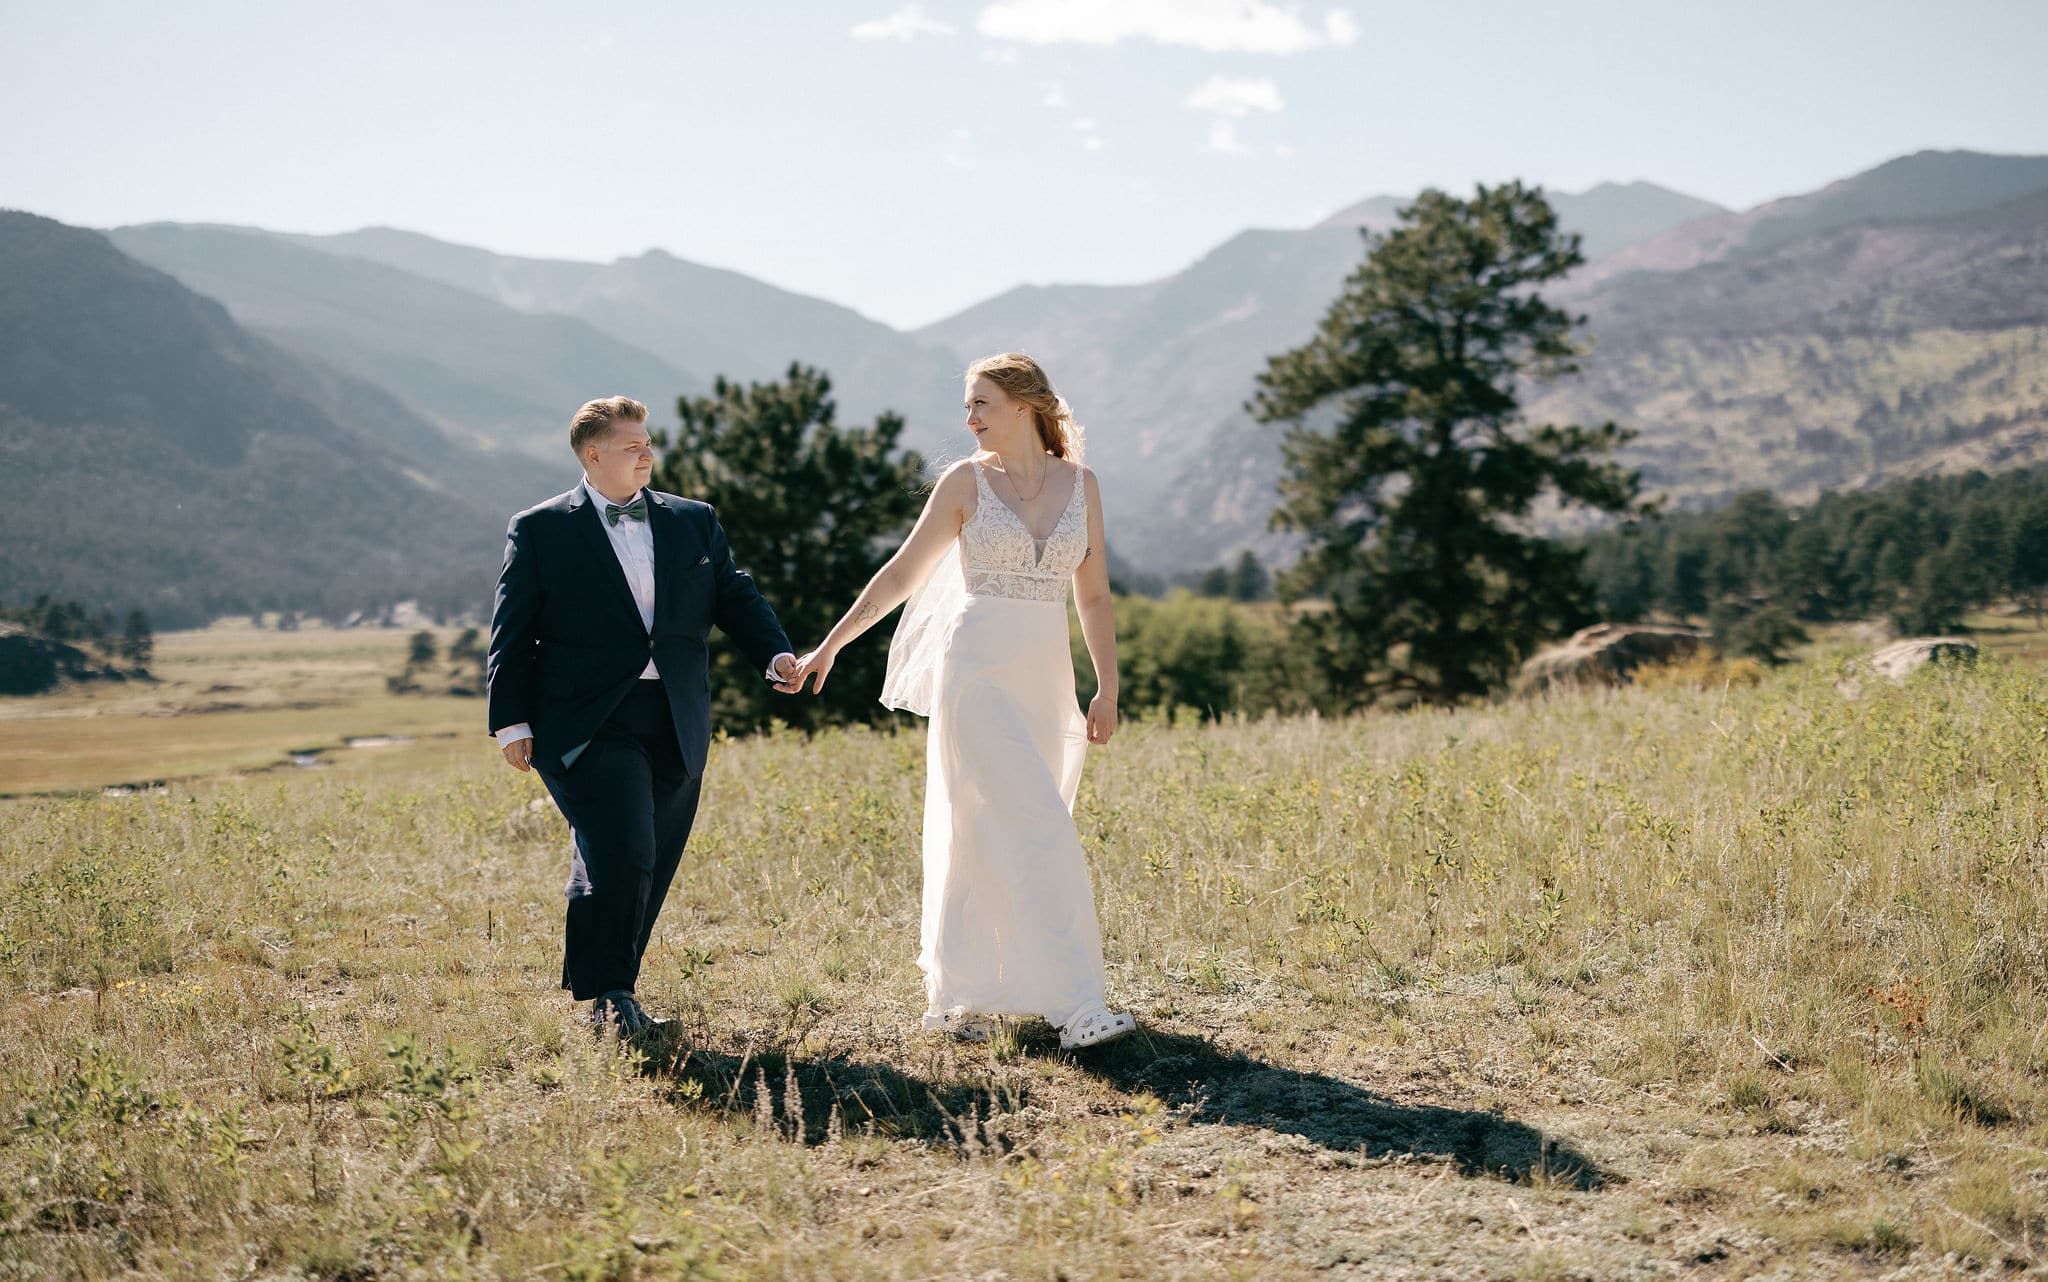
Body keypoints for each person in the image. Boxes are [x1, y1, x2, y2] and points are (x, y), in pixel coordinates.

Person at [789, 354, 1136, 1050]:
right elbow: (901, 575)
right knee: (1040, 823)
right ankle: (1078, 1006)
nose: (970, 418)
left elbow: (1092, 594)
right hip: (975, 672)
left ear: (1026, 406)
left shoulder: (1082, 485)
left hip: (1045, 680)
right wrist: (829, 647)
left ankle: (960, 995)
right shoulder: (964, 483)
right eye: (969, 405)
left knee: (989, 825)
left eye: (982, 403)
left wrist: (1107, 685)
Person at [486, 396, 801, 1040]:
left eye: (648, 442)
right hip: (587, 721)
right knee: (623, 849)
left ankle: (609, 986)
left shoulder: (694, 521)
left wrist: (774, 652)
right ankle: (607, 995)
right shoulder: (541, 528)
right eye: (633, 446)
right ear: (593, 455)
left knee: (648, 857)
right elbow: (512, 629)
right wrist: (510, 721)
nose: (648, 454)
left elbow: (733, 595)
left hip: (677, 717)